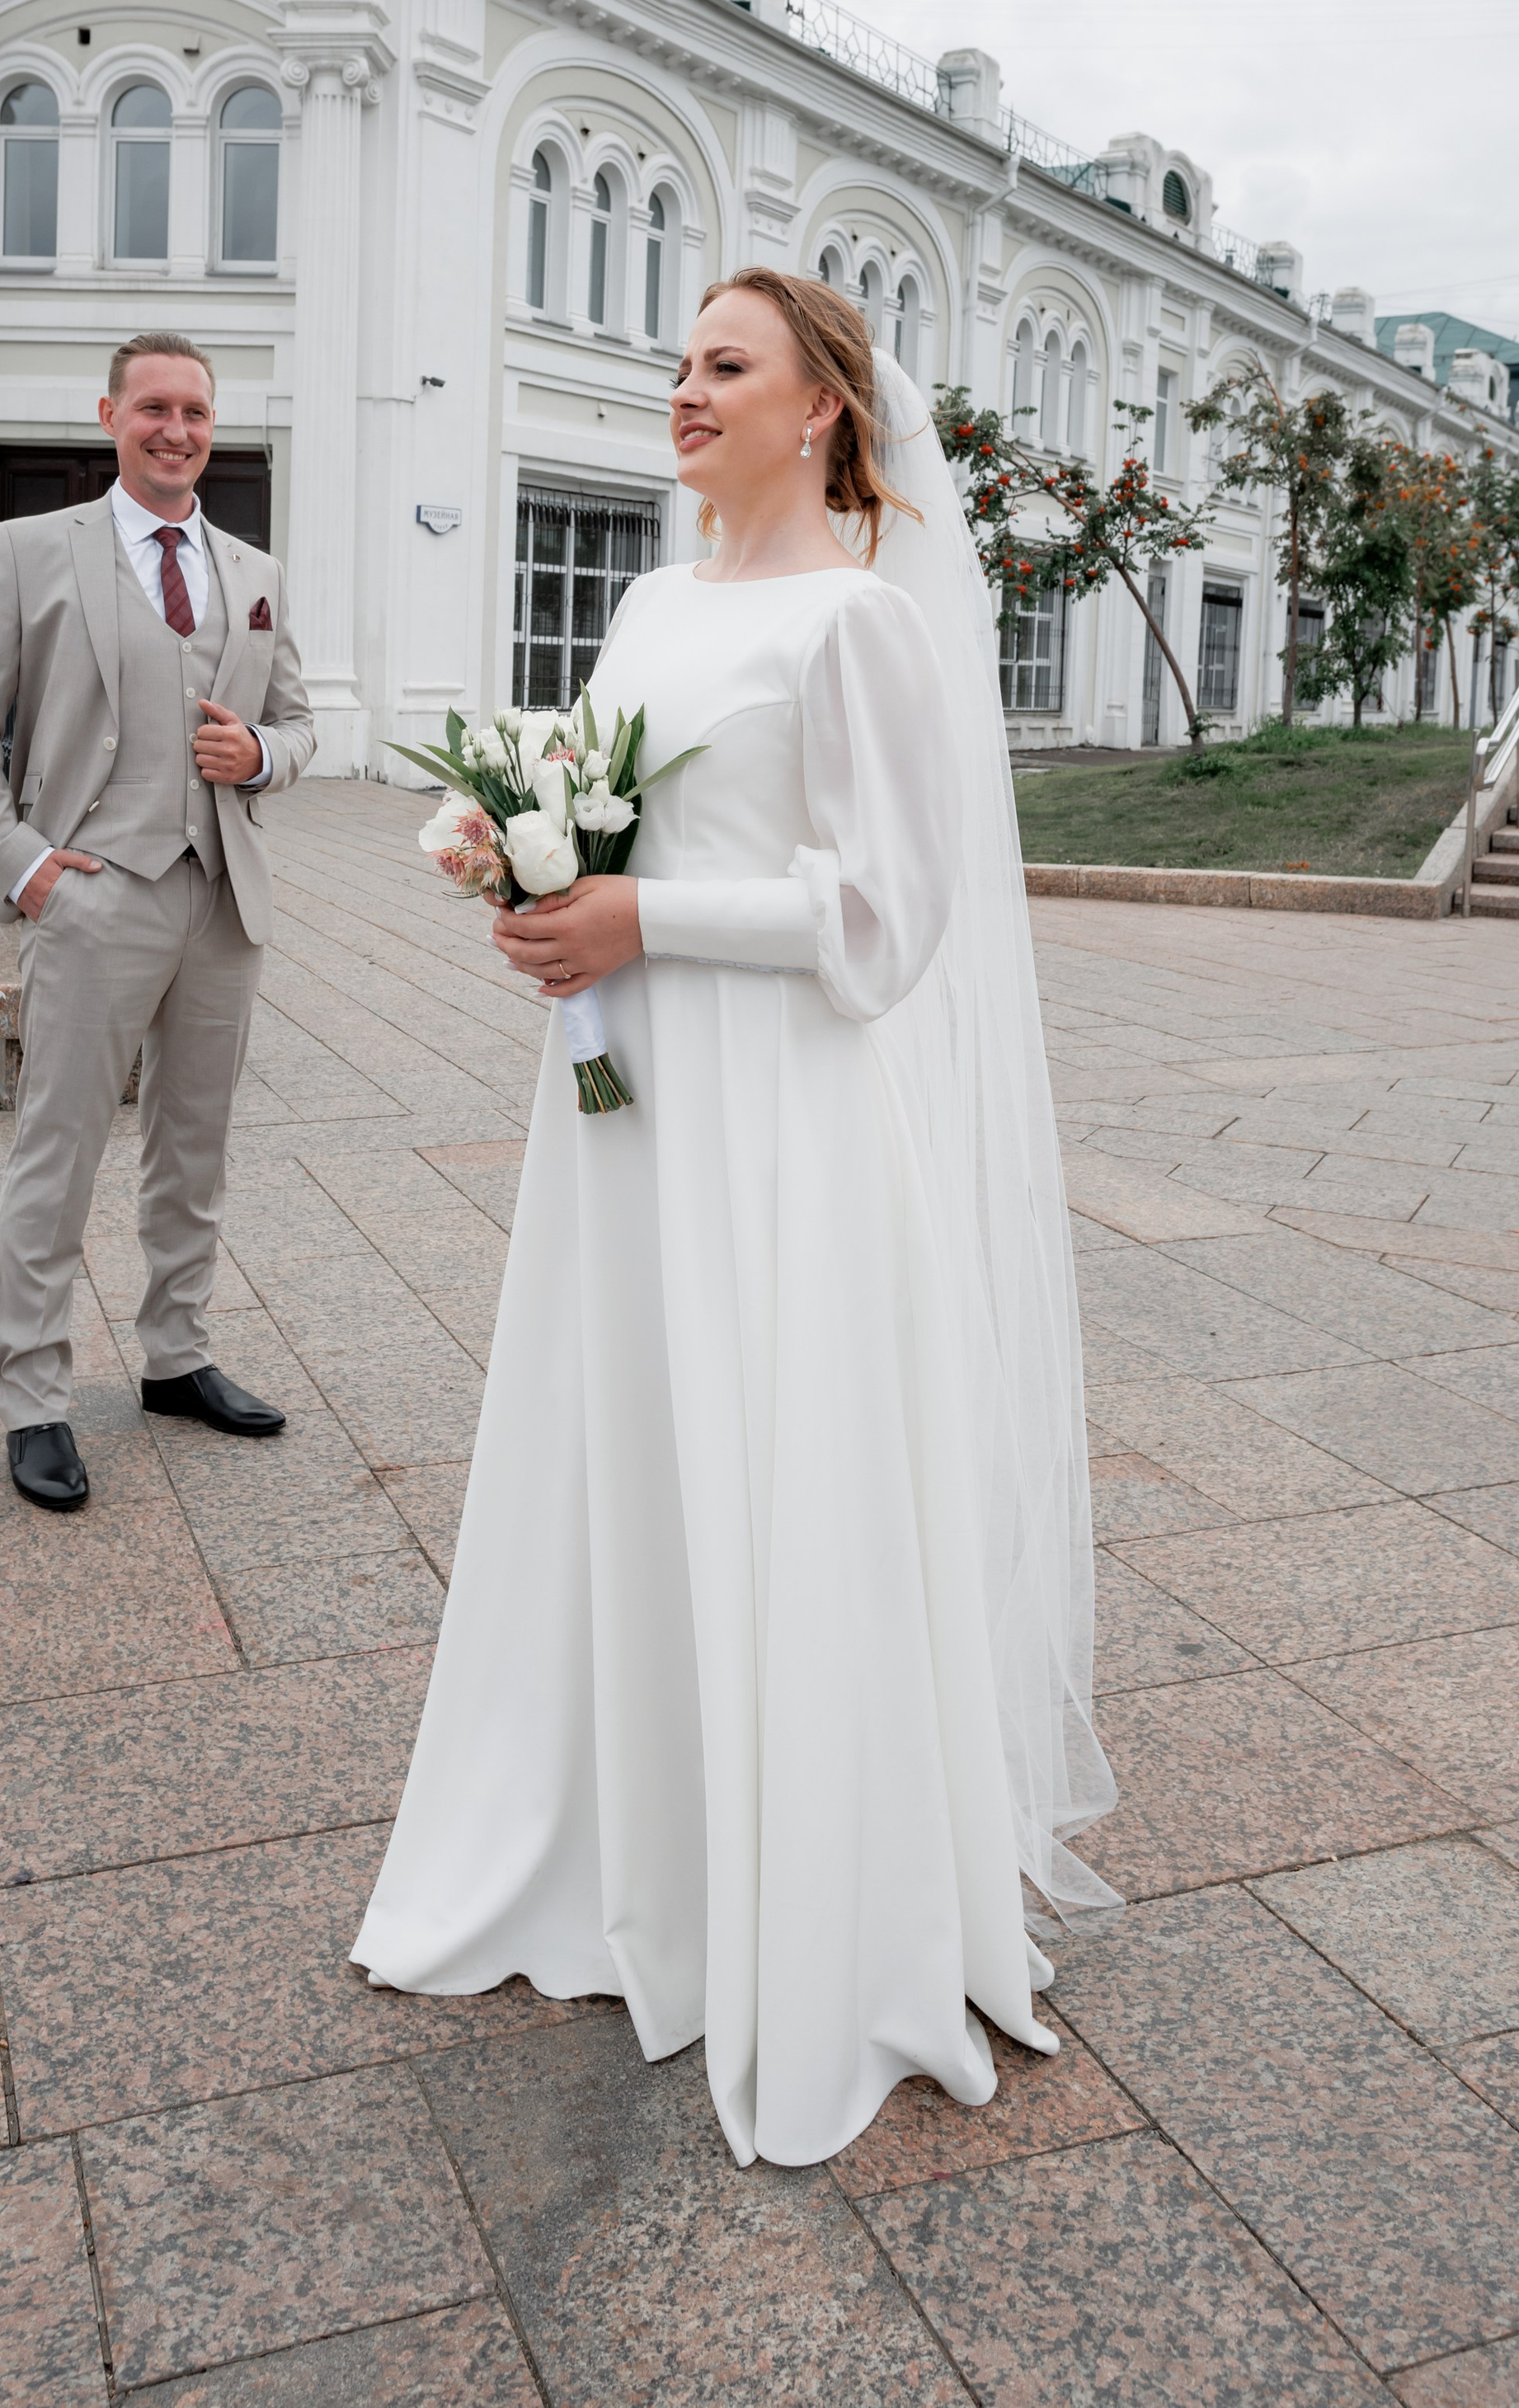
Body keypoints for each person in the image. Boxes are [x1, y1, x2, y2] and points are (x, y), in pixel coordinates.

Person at [354, 267, 1115, 2168]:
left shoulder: (859, 623)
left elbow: (884, 918)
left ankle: (815, 1897)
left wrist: (641, 915)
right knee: (626, 1446)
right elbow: (615, 814)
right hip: (628, 1106)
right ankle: (627, 1851)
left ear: (820, 410)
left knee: (781, 1458)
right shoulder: (646, 604)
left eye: (724, 365)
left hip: (779, 1118)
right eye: (677, 364)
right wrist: (530, 880)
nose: (683, 390)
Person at [0, 333, 315, 1512]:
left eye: (194, 411)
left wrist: (261, 756)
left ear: (213, 425)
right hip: (94, 891)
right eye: (153, 407)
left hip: (223, 896)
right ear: (112, 417)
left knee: (196, 1146)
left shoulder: (253, 568)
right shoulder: (30, 548)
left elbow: (300, 722)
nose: (175, 429)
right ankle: (31, 1397)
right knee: (59, 1151)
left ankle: (175, 1356)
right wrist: (24, 867)